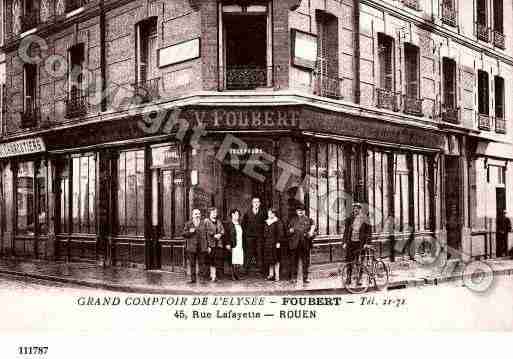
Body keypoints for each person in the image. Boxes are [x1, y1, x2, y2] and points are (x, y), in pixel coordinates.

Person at [342, 203, 371, 285]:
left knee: (360, 262)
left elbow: (369, 233)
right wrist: (344, 242)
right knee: (349, 261)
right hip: (350, 243)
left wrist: (367, 243)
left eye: (358, 208)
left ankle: (359, 279)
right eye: (354, 208)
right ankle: (349, 277)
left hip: (360, 244)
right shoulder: (349, 219)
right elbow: (346, 231)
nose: (356, 210)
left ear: (360, 210)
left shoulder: (365, 219)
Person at [288, 204, 316, 283]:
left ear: (304, 211)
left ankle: (305, 278)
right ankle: (293, 278)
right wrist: (290, 231)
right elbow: (287, 231)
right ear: (296, 212)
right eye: (298, 210)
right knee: (294, 262)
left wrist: (311, 234)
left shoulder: (309, 220)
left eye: (302, 210)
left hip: (305, 244)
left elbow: (314, 233)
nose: (300, 212)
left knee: (305, 262)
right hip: (295, 244)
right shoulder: (293, 220)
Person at [242, 197, 267, 275]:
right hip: (250, 236)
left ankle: (261, 270)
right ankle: (246, 269)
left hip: (259, 236)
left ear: (259, 203)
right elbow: (243, 224)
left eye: (257, 202)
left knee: (259, 252)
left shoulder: (263, 213)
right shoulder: (247, 212)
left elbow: (266, 224)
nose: (256, 203)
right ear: (252, 203)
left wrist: (263, 234)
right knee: (249, 252)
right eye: (254, 202)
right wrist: (247, 234)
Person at [182, 208, 208, 284]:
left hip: (202, 247)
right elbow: (183, 234)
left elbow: (207, 235)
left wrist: (207, 246)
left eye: (199, 214)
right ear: (192, 215)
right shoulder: (188, 224)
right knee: (192, 264)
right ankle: (193, 280)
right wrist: (190, 232)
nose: (197, 215)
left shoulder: (204, 223)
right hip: (192, 247)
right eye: (196, 214)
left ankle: (202, 279)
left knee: (202, 264)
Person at [263, 208, 285, 281]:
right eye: (268, 213)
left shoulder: (278, 222)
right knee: (270, 259)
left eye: (271, 213)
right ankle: (271, 274)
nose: (269, 215)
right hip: (268, 243)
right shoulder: (266, 222)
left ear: (274, 214)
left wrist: (278, 242)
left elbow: (280, 233)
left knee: (276, 259)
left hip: (275, 243)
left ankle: (277, 275)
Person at [204, 207, 225, 282]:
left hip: (218, 244)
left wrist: (220, 234)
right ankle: (212, 276)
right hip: (211, 244)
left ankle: (215, 276)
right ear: (209, 213)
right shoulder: (206, 221)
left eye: (216, 212)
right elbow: (205, 232)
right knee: (211, 260)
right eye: (213, 212)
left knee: (217, 260)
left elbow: (223, 230)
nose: (215, 214)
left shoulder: (218, 221)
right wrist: (213, 235)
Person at [224, 208, 244, 280]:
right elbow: (227, 235)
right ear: (232, 215)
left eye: (238, 215)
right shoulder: (229, 224)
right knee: (233, 259)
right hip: (233, 244)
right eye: (236, 214)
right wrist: (228, 243)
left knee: (238, 259)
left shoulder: (239, 224)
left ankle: (237, 274)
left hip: (239, 243)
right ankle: (233, 275)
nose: (237, 216)